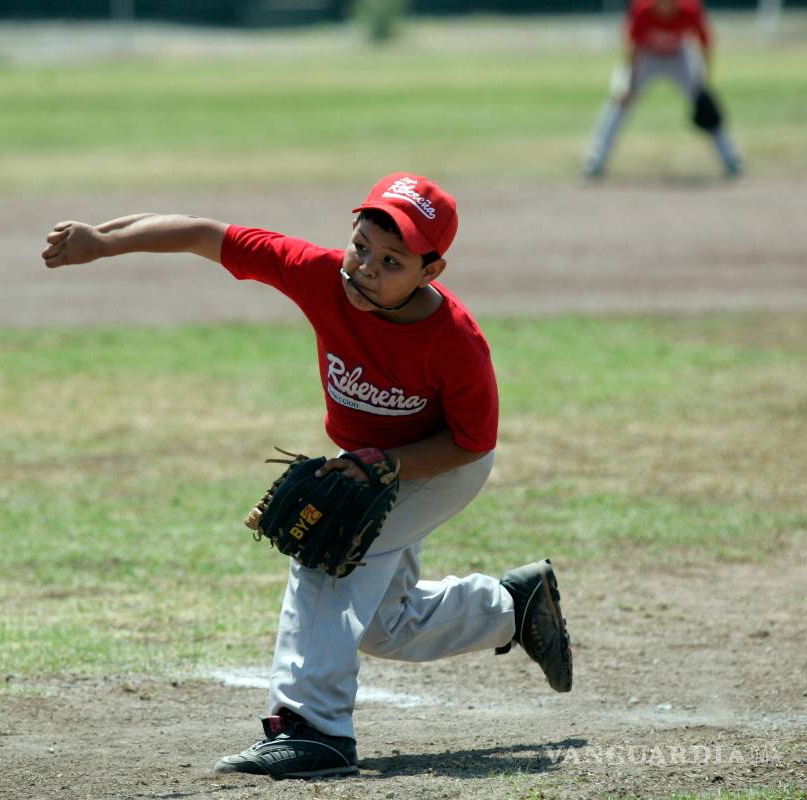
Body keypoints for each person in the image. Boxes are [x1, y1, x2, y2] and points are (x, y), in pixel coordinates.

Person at [41, 173, 573, 780]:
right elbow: (203, 235)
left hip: (440, 464)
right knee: (382, 626)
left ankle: (313, 728)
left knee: (327, 551)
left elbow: (471, 442)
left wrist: (387, 465)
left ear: (432, 271)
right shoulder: (317, 275)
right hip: (370, 459)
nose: (367, 267)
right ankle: (511, 607)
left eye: (392, 261)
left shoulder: (454, 341)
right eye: (362, 246)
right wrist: (102, 241)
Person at [583, 0, 743, 179]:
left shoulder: (690, 8)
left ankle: (731, 160)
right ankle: (594, 161)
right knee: (619, 100)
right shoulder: (641, 8)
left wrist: (704, 81)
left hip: (679, 56)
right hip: (645, 57)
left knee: (707, 106)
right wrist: (629, 84)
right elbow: (633, 47)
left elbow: (705, 43)